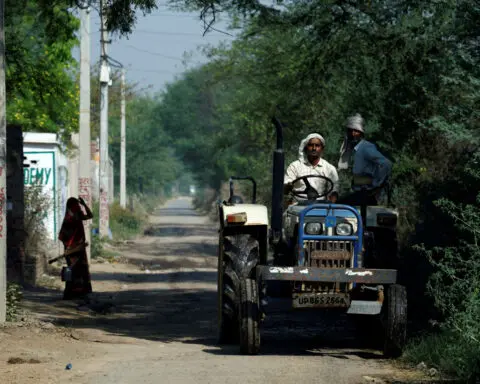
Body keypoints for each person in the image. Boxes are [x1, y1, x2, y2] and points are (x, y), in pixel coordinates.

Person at [337, 113, 392, 205]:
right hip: (359, 192)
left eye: (356, 131)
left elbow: (386, 164)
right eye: (350, 131)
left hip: (366, 195)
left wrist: (375, 184)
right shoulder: (353, 149)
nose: (353, 134)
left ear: (361, 133)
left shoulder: (366, 147)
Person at [284, 133, 339, 203]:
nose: (314, 148)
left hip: (320, 207)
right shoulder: (295, 166)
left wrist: (331, 202)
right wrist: (288, 186)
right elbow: (286, 188)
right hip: (297, 205)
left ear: (322, 148)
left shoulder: (329, 169)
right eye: (310, 145)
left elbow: (334, 190)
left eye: (317, 145)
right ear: (306, 147)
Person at [58, 197, 93, 300]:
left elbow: (90, 215)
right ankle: (69, 293)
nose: (78, 209)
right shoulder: (68, 220)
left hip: (80, 249)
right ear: (71, 208)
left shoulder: (78, 217)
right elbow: (64, 237)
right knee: (71, 270)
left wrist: (84, 204)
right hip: (71, 250)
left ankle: (81, 292)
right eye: (76, 207)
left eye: (78, 207)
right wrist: (69, 248)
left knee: (81, 269)